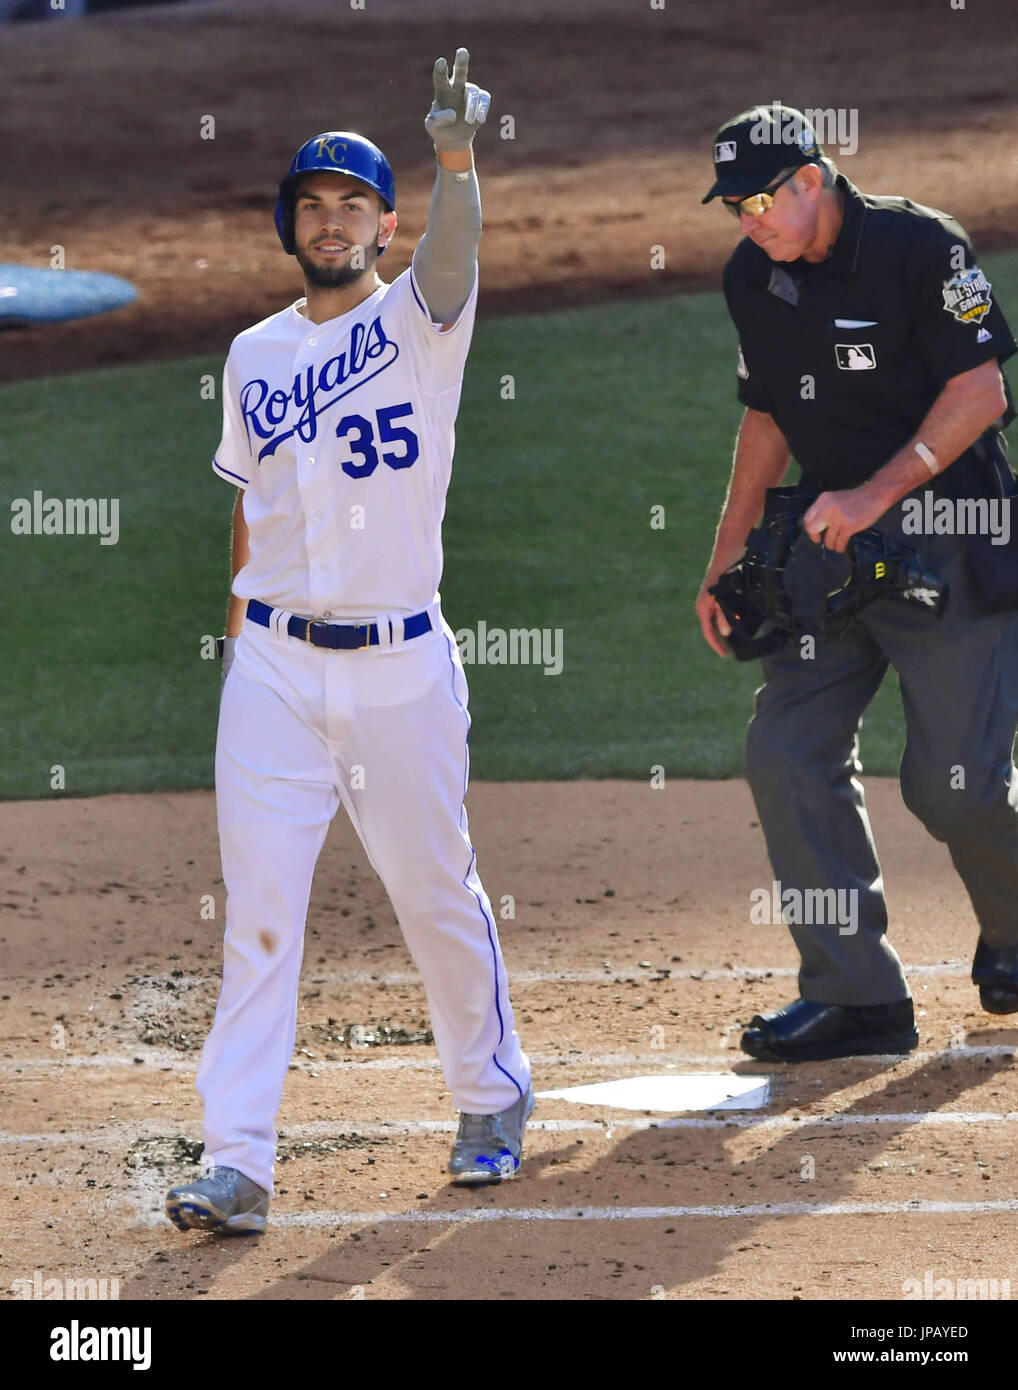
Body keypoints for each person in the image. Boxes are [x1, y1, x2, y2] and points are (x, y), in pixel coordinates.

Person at [167, 48, 533, 1235]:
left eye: (354, 206)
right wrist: (236, 644)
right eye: (313, 205)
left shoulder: (423, 319)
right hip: (271, 665)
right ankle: (237, 1162)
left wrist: (456, 160)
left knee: (434, 891)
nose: (332, 223)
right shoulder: (254, 354)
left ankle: (488, 1098)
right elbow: (248, 501)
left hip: (399, 665)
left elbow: (458, 248)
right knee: (259, 914)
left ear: (385, 224)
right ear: (291, 224)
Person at [695, 104, 1018, 1063]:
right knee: (787, 754)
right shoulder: (752, 278)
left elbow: (982, 392)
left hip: (950, 537)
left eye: (760, 199)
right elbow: (766, 420)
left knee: (952, 786)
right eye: (734, 206)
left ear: (812, 179)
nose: (748, 220)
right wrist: (726, 554)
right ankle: (857, 997)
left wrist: (876, 492)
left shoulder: (921, 247)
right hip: (829, 549)